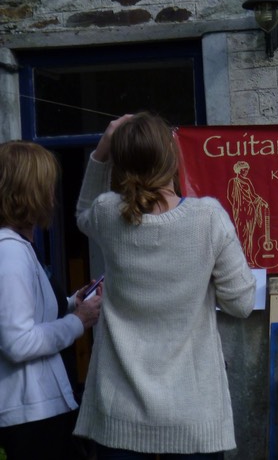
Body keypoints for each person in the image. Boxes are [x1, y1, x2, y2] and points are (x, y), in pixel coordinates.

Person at [72, 112, 257, 460]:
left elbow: (82, 212)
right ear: (172, 156)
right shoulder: (208, 218)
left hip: (119, 415)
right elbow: (241, 304)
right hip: (193, 414)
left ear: (120, 162)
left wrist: (101, 149)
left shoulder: (107, 214)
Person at [0, 140, 102, 460]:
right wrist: (79, 322)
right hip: (31, 416)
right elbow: (18, 341)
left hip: (39, 411)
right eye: (46, 187)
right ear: (29, 192)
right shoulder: (10, 252)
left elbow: (27, 314)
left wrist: (73, 303)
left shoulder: (17, 246)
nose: (52, 197)